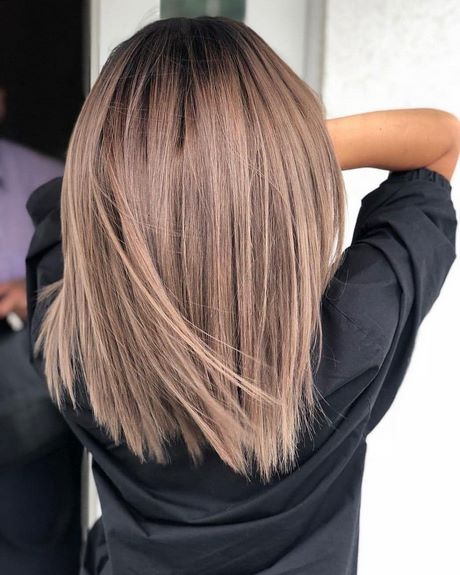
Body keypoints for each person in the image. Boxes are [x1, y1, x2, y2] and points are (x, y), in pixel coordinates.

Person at [25, 16, 458, 575]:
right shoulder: (355, 331)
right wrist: (262, 153)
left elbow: (73, 202)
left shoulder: (68, 334)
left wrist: (167, 164)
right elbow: (440, 142)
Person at [0, 85, 82, 575]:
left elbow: (106, 283)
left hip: (24, 398)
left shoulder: (54, 180)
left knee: (35, 541)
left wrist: (31, 291)